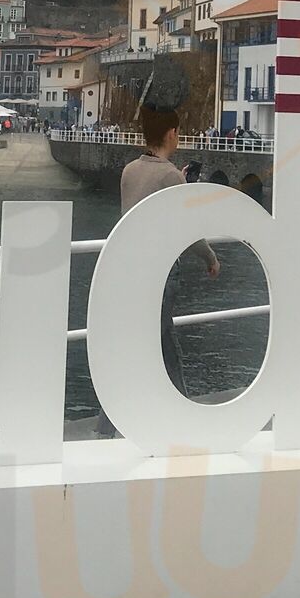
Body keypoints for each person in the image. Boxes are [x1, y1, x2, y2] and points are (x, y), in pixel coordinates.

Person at [120, 108, 221, 395]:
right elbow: (187, 232)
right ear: (171, 133)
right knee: (158, 338)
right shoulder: (171, 177)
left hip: (131, 266)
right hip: (162, 270)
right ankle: (171, 403)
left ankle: (170, 402)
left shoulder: (130, 171)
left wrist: (180, 183)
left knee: (152, 337)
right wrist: (211, 258)